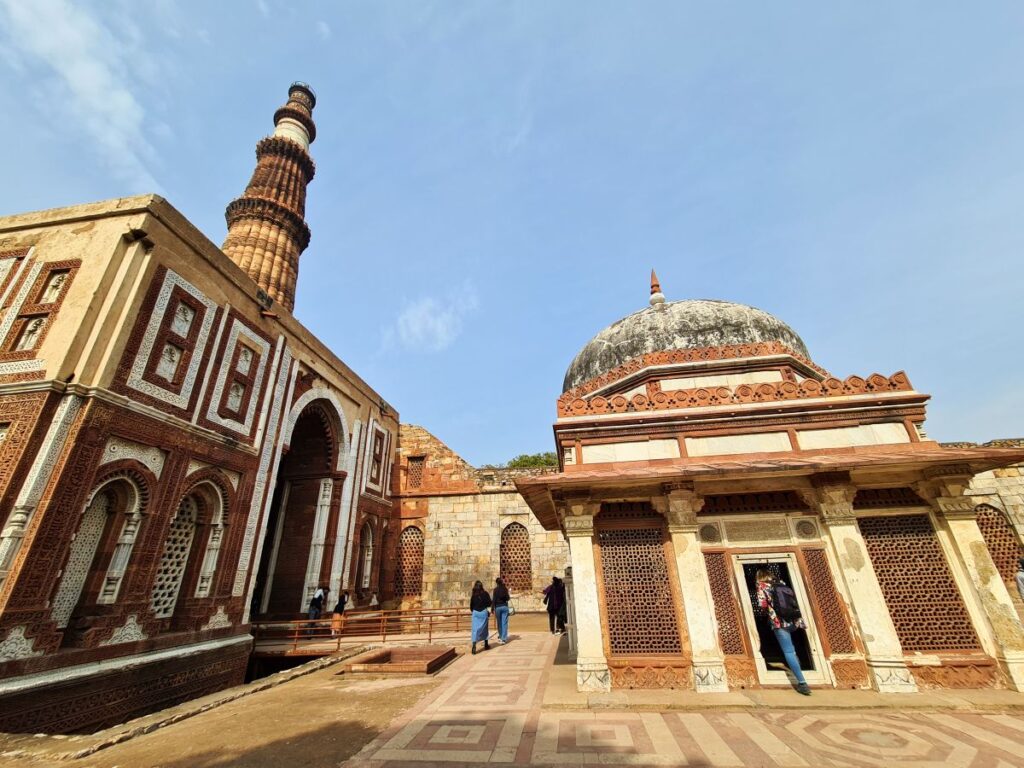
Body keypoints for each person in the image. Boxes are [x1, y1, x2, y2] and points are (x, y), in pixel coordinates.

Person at [756, 567, 810, 696]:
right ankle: (800, 669)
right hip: (794, 620)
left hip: (779, 621)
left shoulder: (762, 586)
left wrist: (768, 612)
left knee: (788, 651)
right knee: (793, 649)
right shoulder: (781, 583)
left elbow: (762, 605)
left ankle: (802, 682)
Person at [469, 580, 492, 654]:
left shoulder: (473, 595)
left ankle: (474, 646)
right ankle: (486, 644)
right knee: (484, 629)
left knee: (475, 630)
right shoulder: (485, 594)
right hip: (483, 612)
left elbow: (471, 606)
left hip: (475, 613)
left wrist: (474, 611)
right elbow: (489, 603)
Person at [493, 577, 511, 644]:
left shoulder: (495, 590)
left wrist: (492, 608)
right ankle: (504, 638)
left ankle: (500, 636)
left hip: (497, 607)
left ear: (496, 583)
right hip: (504, 606)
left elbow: (494, 599)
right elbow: (508, 598)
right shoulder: (505, 589)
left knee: (499, 623)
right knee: (504, 623)